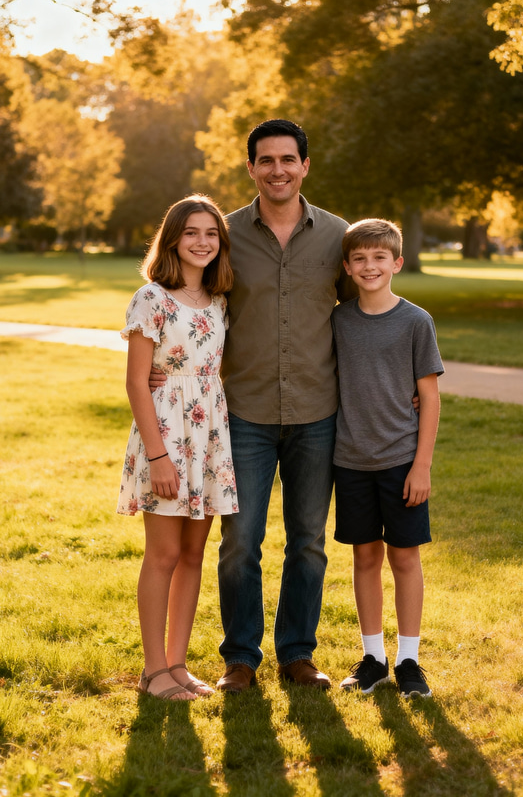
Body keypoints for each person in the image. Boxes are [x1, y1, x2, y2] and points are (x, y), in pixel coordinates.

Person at [215, 119, 358, 692]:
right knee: (239, 543)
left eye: (288, 159)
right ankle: (240, 660)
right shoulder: (223, 234)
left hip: (317, 412)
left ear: (305, 166)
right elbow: (195, 305)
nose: (278, 170)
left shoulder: (338, 237)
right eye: (266, 160)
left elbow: (360, 312)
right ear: (251, 167)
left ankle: (298, 654)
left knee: (309, 543)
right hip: (243, 412)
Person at [117, 194, 238, 701]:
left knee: (193, 553)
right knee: (164, 553)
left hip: (209, 436)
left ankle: (178, 664)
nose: (202, 242)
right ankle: (152, 671)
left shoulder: (219, 301)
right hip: (165, 435)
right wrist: (158, 456)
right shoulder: (152, 298)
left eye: (211, 233)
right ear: (172, 239)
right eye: (191, 232)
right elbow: (136, 381)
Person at [332, 218, 443, 699]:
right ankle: (374, 659)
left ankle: (408, 661)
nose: (369, 266)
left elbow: (430, 398)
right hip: (351, 459)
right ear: (347, 267)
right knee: (364, 556)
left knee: (404, 557)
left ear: (397, 263)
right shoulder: (338, 321)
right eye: (359, 258)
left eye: (379, 257)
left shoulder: (416, 321)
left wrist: (422, 466)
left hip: (401, 460)